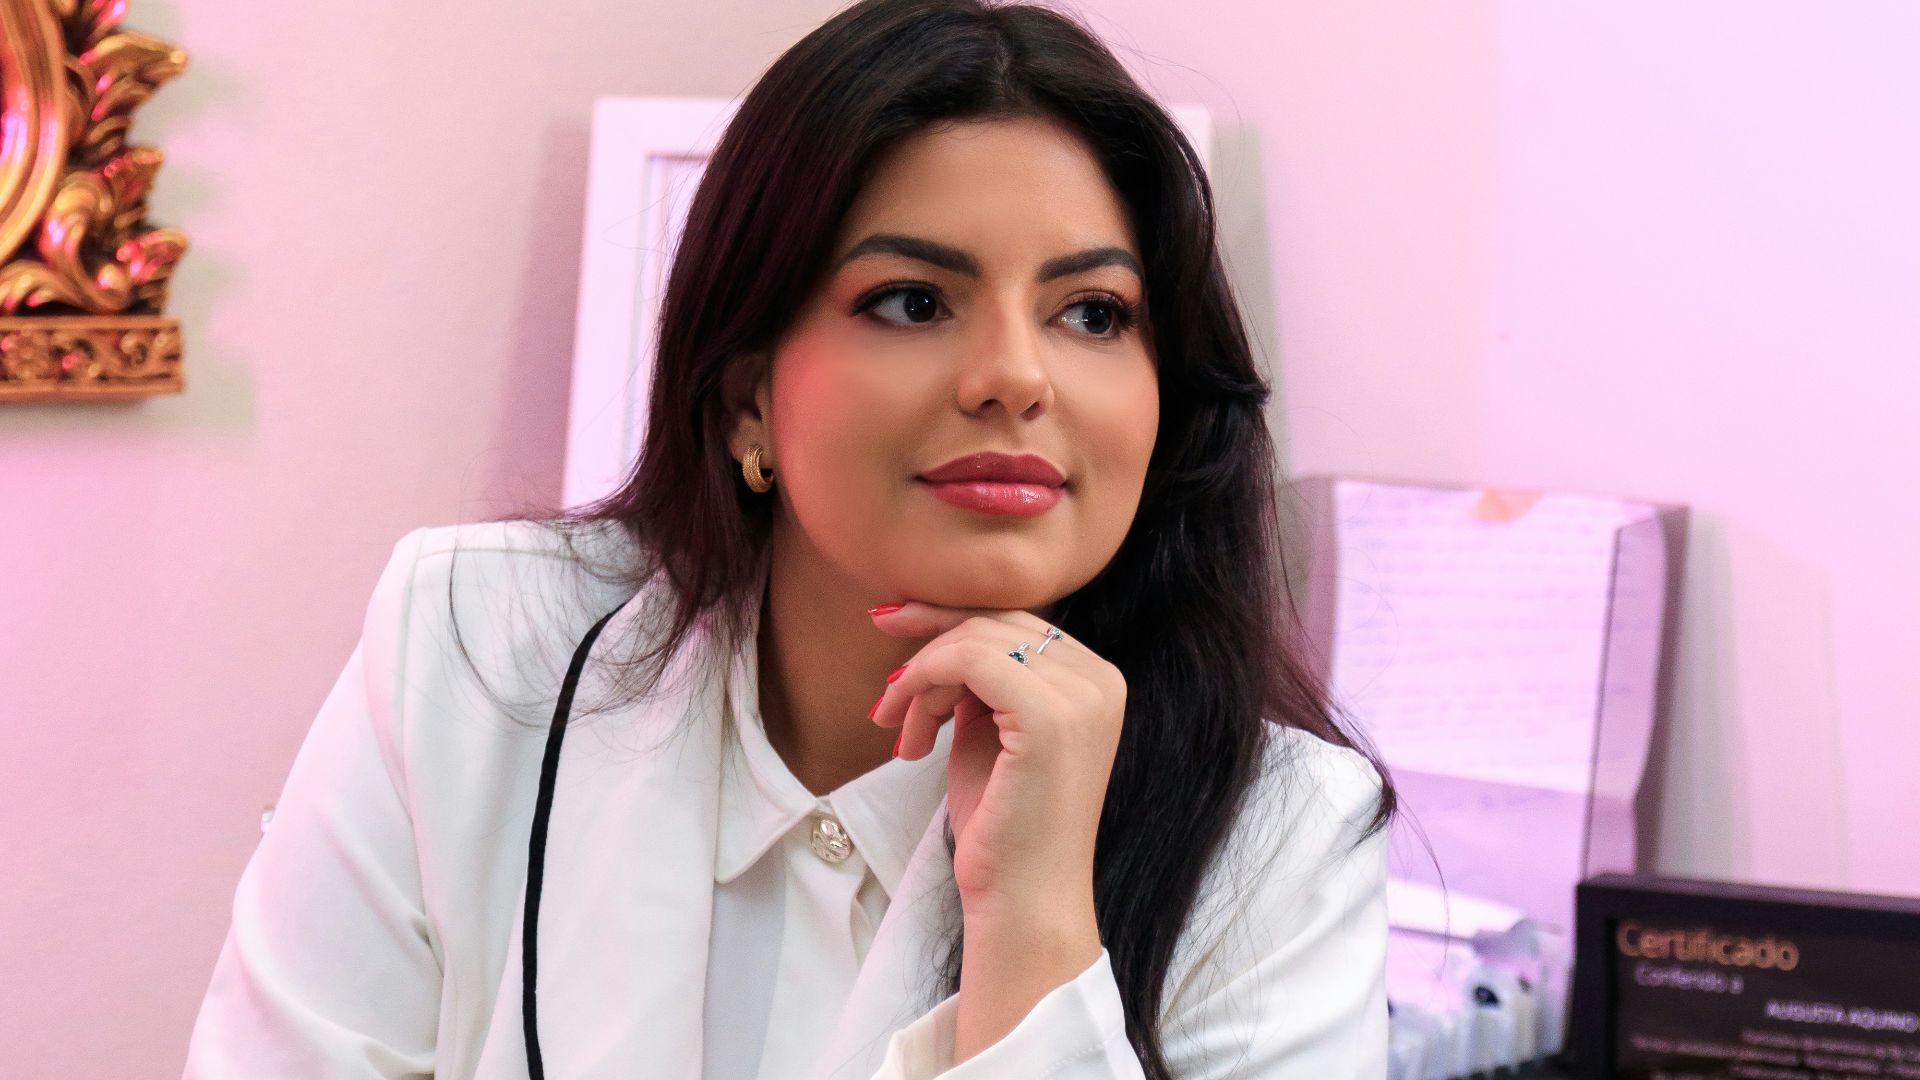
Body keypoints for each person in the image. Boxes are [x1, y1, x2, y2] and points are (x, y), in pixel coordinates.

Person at [182, 0, 1399, 1077]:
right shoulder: (472, 645)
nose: (1015, 378)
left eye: (1092, 312)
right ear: (747, 395)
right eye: (912, 301)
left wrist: (1032, 931)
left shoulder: (1282, 837)